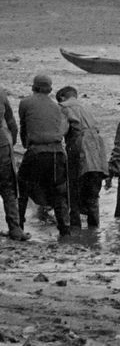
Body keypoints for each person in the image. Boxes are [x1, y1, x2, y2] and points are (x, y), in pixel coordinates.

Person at [17, 73, 69, 234]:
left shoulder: (25, 102)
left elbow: (24, 129)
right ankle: (64, 229)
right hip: (57, 153)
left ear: (33, 87)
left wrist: (27, 145)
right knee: (59, 191)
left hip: (36, 152)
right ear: (50, 90)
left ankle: (18, 226)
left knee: (22, 186)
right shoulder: (57, 107)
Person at [56, 86, 108, 229]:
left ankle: (75, 228)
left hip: (79, 145)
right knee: (93, 190)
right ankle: (94, 230)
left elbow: (61, 131)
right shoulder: (87, 107)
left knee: (73, 187)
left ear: (61, 97)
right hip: (97, 147)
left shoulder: (63, 107)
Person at [0, 83, 24, 240]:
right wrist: (11, 142)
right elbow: (12, 123)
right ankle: (15, 229)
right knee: (8, 187)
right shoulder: (0, 91)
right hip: (3, 144)